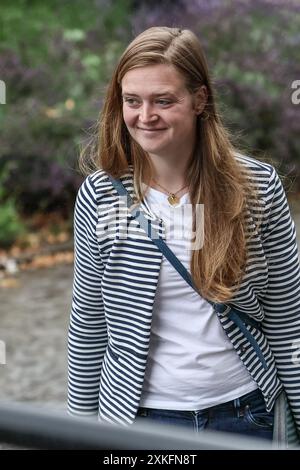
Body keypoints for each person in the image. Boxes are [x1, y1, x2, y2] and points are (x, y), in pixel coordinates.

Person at [68, 26, 300, 442]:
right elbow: (89, 326)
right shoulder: (102, 196)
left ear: (199, 100)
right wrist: (75, 433)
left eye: (164, 100)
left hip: (247, 417)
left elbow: (288, 320)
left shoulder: (256, 189)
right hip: (140, 421)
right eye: (132, 101)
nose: (144, 116)